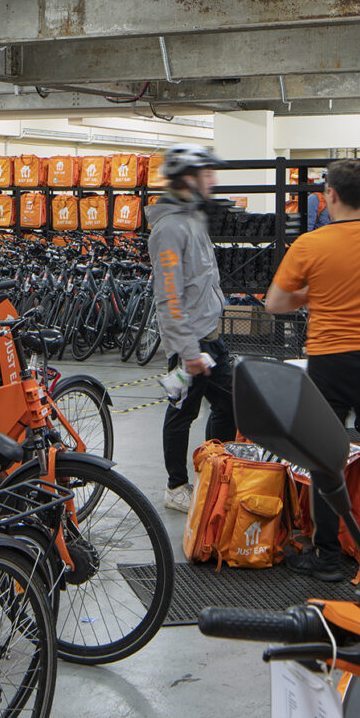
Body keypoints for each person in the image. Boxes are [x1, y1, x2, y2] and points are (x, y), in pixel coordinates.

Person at [264, 159, 360, 584]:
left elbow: (274, 303)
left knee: (326, 458)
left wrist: (312, 295)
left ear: (329, 195)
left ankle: (328, 557)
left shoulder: (310, 244)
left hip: (329, 362)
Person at [146, 145, 236, 512]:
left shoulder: (192, 218)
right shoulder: (169, 229)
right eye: (206, 174)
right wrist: (188, 351)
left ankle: (215, 472)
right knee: (182, 413)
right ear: (187, 178)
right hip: (190, 344)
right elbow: (168, 298)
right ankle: (176, 486)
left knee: (230, 405)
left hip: (210, 339)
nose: (212, 180)